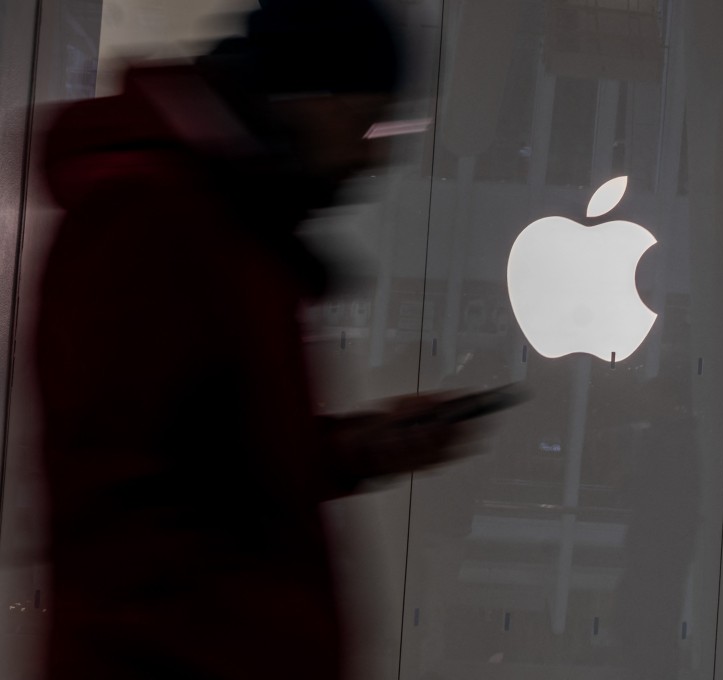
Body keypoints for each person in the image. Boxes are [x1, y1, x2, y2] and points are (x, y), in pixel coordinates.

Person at [35, 1, 464, 678]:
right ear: (307, 94)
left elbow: (215, 465)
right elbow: (126, 522)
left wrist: (355, 449)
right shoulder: (154, 220)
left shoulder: (229, 218)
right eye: (369, 118)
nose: (375, 154)